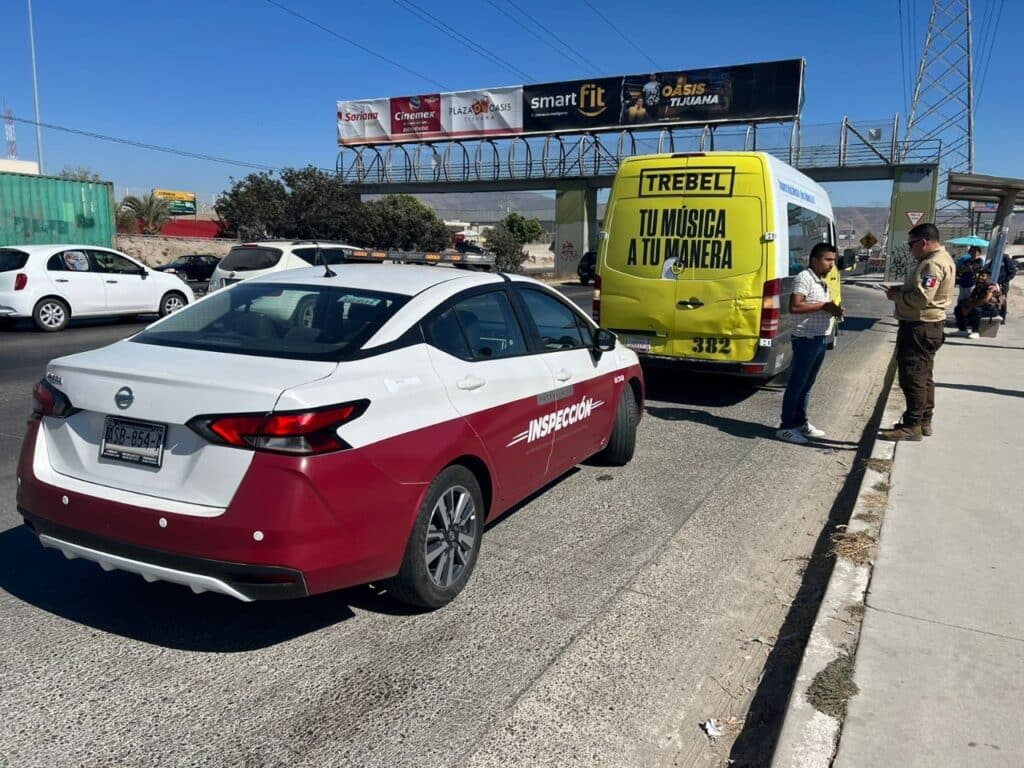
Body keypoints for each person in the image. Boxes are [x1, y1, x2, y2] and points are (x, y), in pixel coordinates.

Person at [879, 222, 956, 441]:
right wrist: (902, 290)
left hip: (919, 327)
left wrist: (897, 297)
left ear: (923, 242)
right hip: (928, 326)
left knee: (913, 377)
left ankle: (912, 426)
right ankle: (923, 420)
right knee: (924, 376)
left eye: (911, 244)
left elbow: (922, 298)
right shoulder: (939, 259)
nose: (909, 248)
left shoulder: (932, 264)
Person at [776, 243, 844, 444]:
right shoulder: (804, 278)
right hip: (806, 339)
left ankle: (800, 422)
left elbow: (819, 306)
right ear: (815, 260)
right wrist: (824, 305)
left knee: (807, 384)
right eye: (828, 260)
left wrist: (834, 309)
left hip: (819, 337)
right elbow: (795, 306)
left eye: (834, 260)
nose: (832, 264)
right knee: (797, 383)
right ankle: (786, 427)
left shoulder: (821, 281)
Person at [955, 269, 1003, 337]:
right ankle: (962, 330)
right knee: (958, 308)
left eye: (983, 276)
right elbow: (971, 298)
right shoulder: (978, 286)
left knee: (976, 310)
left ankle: (975, 332)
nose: (980, 277)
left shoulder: (992, 287)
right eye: (980, 275)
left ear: (988, 278)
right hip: (981, 307)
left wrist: (970, 308)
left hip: (992, 309)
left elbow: (985, 300)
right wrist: (966, 306)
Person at [991, 252, 1017, 323]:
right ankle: (994, 316)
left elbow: (1013, 271)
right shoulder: (993, 257)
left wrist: (1006, 280)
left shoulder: (1005, 258)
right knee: (993, 300)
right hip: (994, 282)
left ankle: (1002, 318)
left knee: (1002, 300)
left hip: (1003, 284)